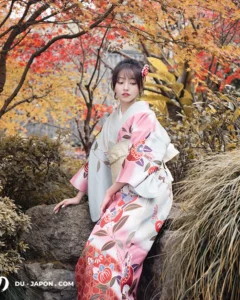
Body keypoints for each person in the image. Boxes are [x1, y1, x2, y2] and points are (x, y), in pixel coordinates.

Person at [53, 58, 179, 300]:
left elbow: (141, 155)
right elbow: (97, 156)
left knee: (111, 244)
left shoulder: (145, 116)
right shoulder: (112, 120)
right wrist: (79, 194)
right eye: (120, 81)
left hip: (149, 186)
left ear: (140, 86)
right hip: (123, 187)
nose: (126, 87)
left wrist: (113, 189)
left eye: (132, 82)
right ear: (114, 85)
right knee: (95, 246)